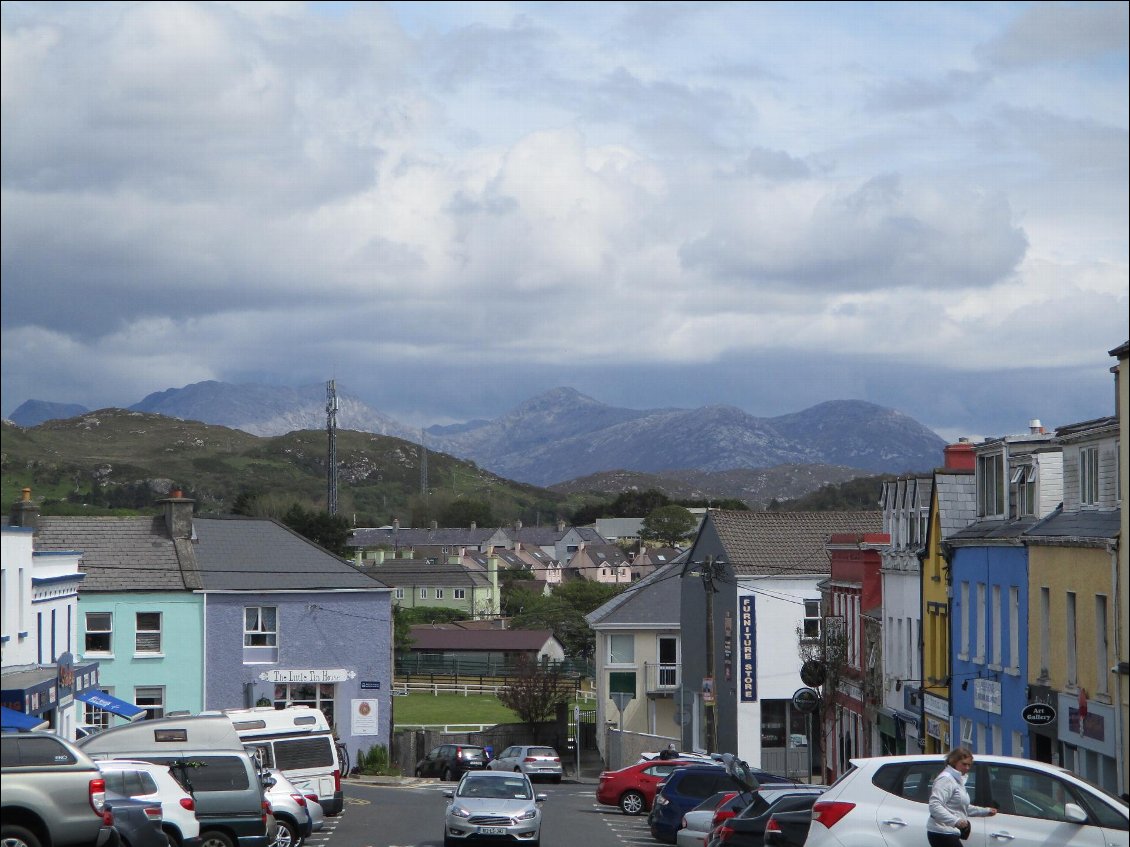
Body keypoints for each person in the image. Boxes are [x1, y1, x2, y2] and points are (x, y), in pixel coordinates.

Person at [927, 748, 997, 845]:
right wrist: (956, 821)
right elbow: (934, 806)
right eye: (964, 764)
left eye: (969, 765)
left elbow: (961, 807)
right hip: (941, 831)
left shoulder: (958, 780)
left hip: (949, 832)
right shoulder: (946, 779)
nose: (967, 768)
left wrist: (985, 811)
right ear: (954, 762)